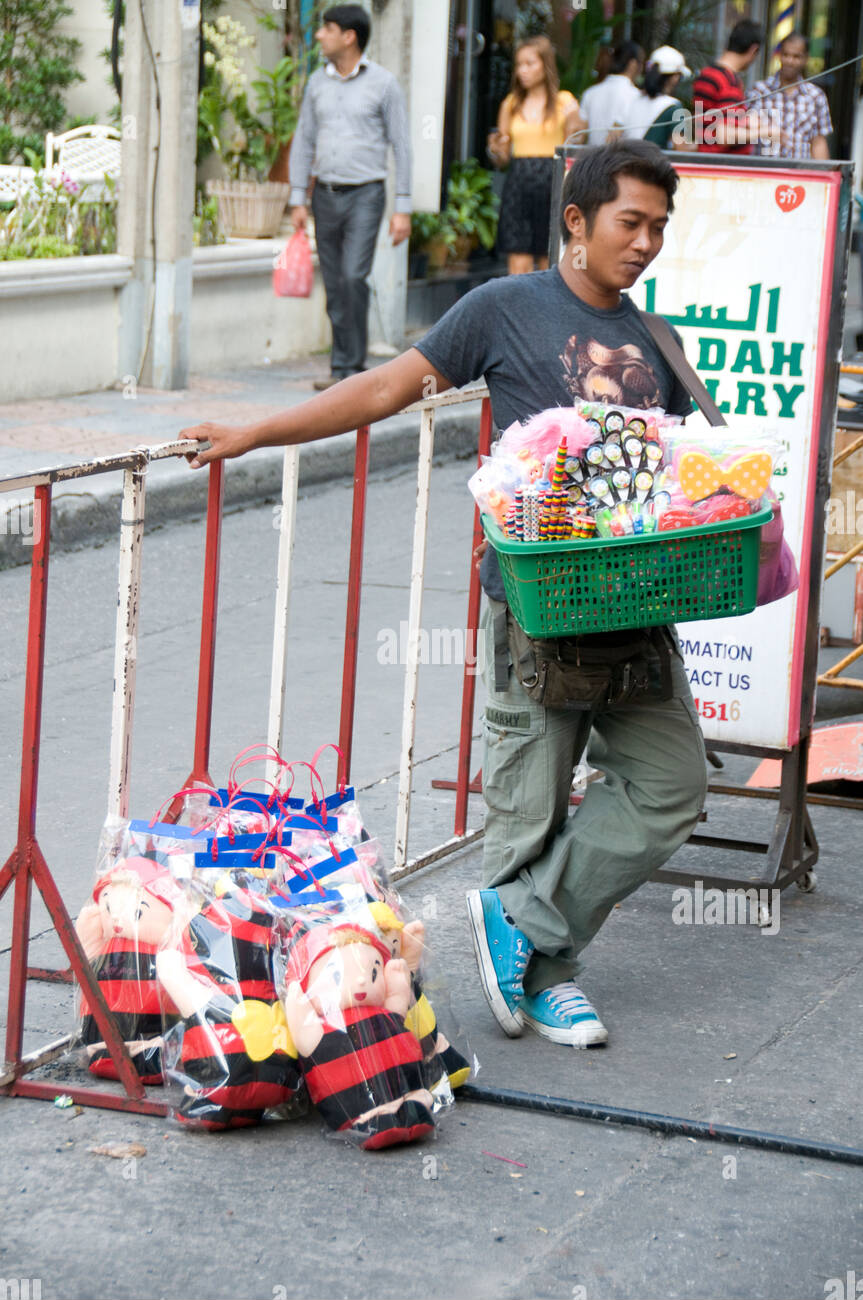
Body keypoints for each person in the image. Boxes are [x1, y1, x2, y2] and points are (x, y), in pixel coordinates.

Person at [179, 141, 707, 1051]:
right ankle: (538, 984)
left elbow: (678, 482)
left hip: (636, 608)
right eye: (632, 222)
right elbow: (384, 388)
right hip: (538, 614)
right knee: (528, 810)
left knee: (671, 786)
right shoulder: (502, 310)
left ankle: (530, 931)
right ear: (576, 223)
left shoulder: (656, 341)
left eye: (660, 226)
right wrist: (257, 431)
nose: (648, 242)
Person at [288, 5, 412, 391]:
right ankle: (340, 367)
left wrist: (402, 208)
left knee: (353, 275)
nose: (320, 36)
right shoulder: (316, 85)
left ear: (349, 36)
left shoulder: (384, 84)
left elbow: (402, 147)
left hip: (366, 195)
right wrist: (297, 197)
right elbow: (304, 140)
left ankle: (352, 369)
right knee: (335, 283)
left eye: (327, 29)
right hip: (325, 194)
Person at [489, 35, 585, 275]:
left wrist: (575, 120)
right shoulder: (510, 104)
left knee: (549, 260)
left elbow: (577, 142)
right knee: (517, 263)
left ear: (545, 64)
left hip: (552, 182)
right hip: (518, 183)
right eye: (519, 64)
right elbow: (501, 160)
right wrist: (496, 149)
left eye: (530, 63)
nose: (523, 71)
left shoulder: (565, 101)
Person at [750, 32, 833, 160]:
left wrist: (825, 176)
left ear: (806, 58)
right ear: (779, 55)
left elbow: (818, 143)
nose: (790, 61)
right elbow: (746, 135)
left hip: (800, 176)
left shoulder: (816, 96)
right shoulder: (759, 91)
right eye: (785, 55)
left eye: (796, 57)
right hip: (764, 175)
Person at [692, 19, 762, 155]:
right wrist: (765, 132)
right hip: (723, 167)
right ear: (753, 50)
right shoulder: (728, 81)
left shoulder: (706, 74)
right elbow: (725, 136)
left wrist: (747, 121)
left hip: (705, 160)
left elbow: (708, 123)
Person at [578, 41, 644, 146]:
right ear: (633, 64)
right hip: (620, 158)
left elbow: (579, 135)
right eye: (641, 63)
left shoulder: (590, 93)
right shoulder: (635, 95)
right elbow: (615, 134)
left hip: (592, 158)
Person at [628, 45, 691, 150]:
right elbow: (681, 147)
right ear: (675, 77)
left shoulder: (634, 99)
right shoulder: (674, 106)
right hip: (653, 164)